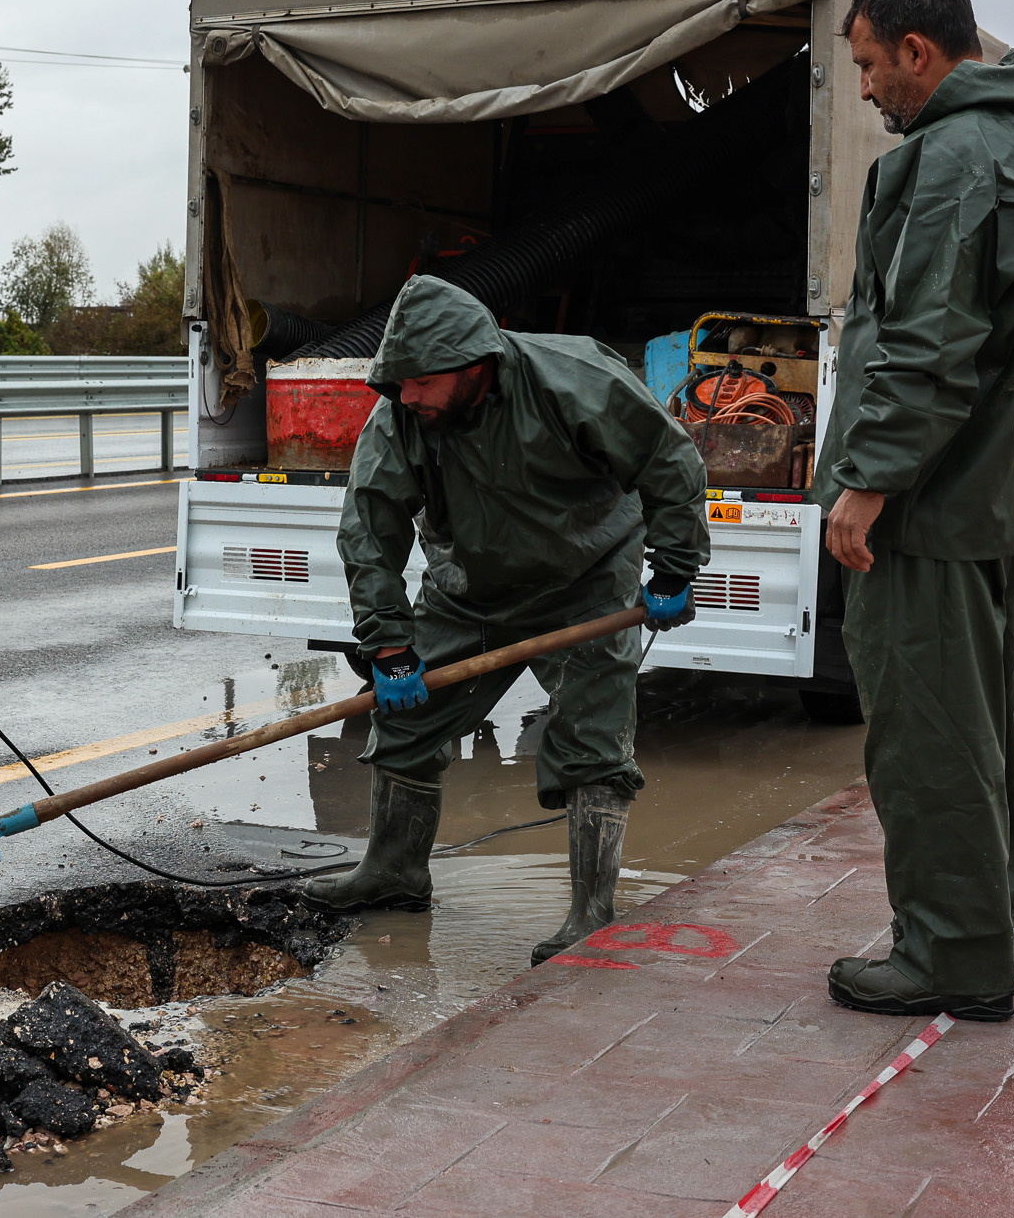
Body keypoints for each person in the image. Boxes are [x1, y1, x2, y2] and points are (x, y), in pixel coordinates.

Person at [811, 0, 1014, 1020]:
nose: (863, 89)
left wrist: (868, 480)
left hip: (935, 505)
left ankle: (951, 958)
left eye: (868, 66)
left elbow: (927, 336)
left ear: (917, 49)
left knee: (928, 738)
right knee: (979, 728)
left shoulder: (950, 154)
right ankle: (990, 926)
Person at [301, 275, 710, 965]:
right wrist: (390, 645)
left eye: (421, 382)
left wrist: (674, 567)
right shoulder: (402, 414)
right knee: (404, 721)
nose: (406, 395)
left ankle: (591, 913)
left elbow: (668, 458)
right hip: (469, 588)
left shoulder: (572, 380)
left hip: (585, 580)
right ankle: (395, 870)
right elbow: (369, 527)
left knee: (593, 742)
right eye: (398, 382)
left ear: (473, 363)